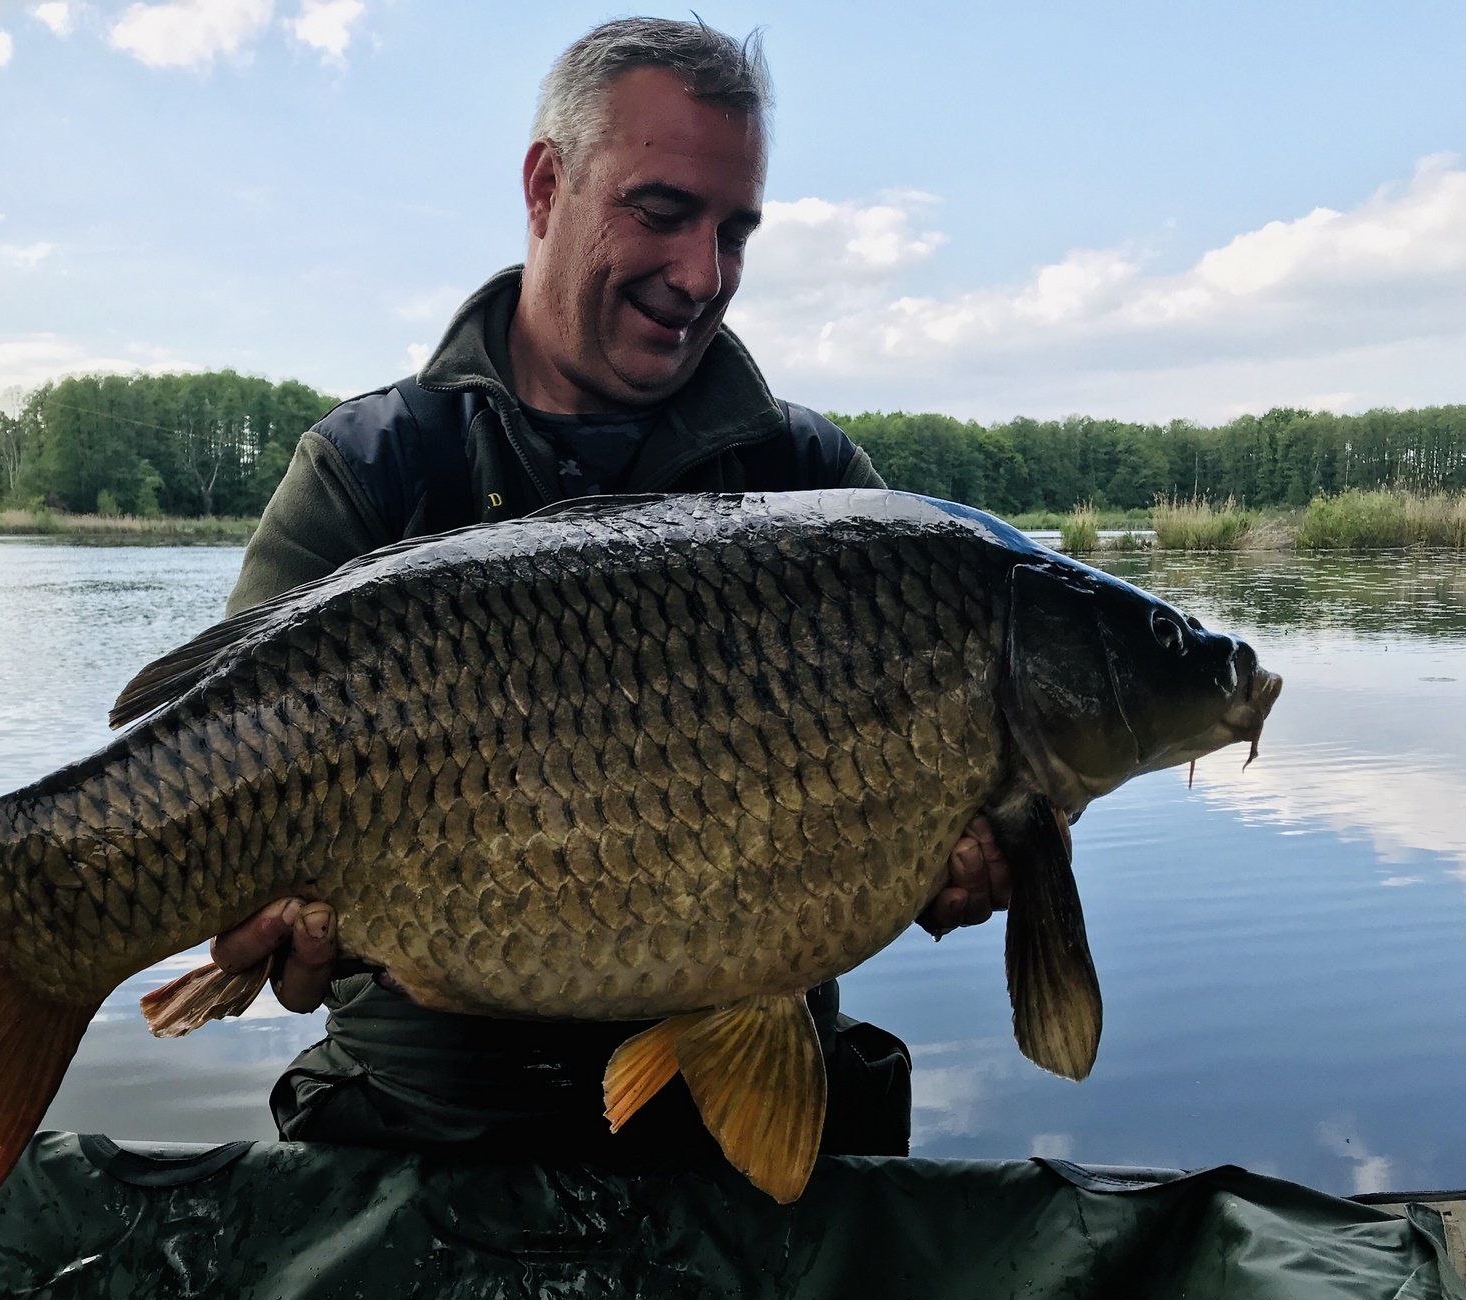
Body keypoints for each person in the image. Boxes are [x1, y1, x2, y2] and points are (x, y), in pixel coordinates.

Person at [201, 18, 1008, 1164]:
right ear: (546, 186)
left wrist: (934, 866)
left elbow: (928, 846)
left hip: (740, 1142)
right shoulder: (373, 471)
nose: (704, 274)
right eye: (664, 212)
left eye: (736, 231)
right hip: (430, 1138)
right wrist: (255, 918)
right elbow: (210, 771)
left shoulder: (814, 488)